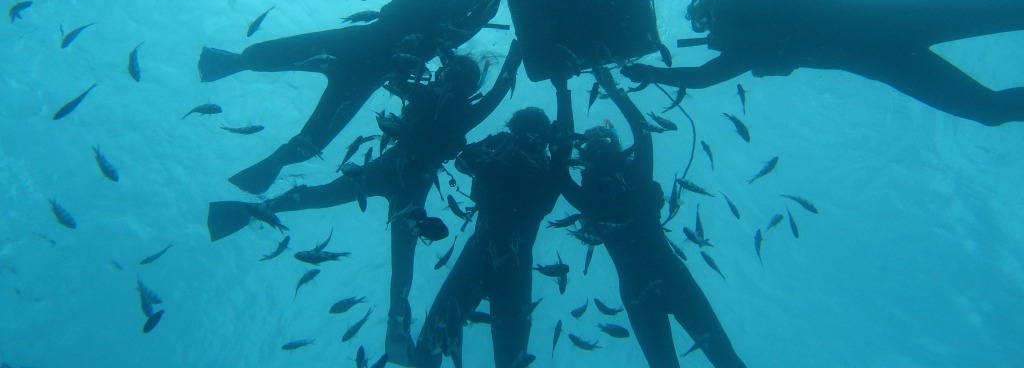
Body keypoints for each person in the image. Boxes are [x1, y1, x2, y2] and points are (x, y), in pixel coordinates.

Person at [208, 42, 520, 366]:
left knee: (323, 198)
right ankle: (396, 331)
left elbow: (391, 74)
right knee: (400, 263)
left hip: (385, 173)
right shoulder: (464, 111)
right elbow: (499, 88)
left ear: (449, 74)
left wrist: (512, 55)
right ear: (470, 85)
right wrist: (515, 56)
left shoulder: (426, 94)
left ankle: (250, 211)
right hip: (409, 189)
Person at [624, 0, 1024, 126]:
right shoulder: (752, 23)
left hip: (890, 48)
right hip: (896, 36)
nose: (712, 16)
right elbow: (702, 77)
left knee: (990, 98)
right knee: (988, 104)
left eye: (706, 10)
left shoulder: (754, 7)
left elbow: (701, 76)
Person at [198, 0, 503, 195]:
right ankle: (237, 72)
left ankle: (232, 67)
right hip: (368, 66)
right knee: (312, 132)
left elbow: (398, 3)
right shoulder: (449, 24)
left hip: (356, 50)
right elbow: (467, 22)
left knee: (284, 66)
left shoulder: (435, 3)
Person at [560, 66, 747, 368]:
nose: (597, 145)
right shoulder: (636, 176)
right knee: (723, 356)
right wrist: (607, 85)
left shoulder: (589, 197)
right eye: (594, 144)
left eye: (602, 140)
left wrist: (564, 92)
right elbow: (641, 129)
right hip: (673, 277)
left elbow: (559, 168)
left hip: (638, 292)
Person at [413, 104, 567, 368]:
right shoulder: (508, 148)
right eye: (523, 132)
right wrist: (500, 154)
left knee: (440, 340)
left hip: (485, 256)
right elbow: (463, 160)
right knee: (440, 340)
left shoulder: (547, 165)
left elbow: (542, 203)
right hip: (504, 261)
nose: (527, 140)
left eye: (533, 134)